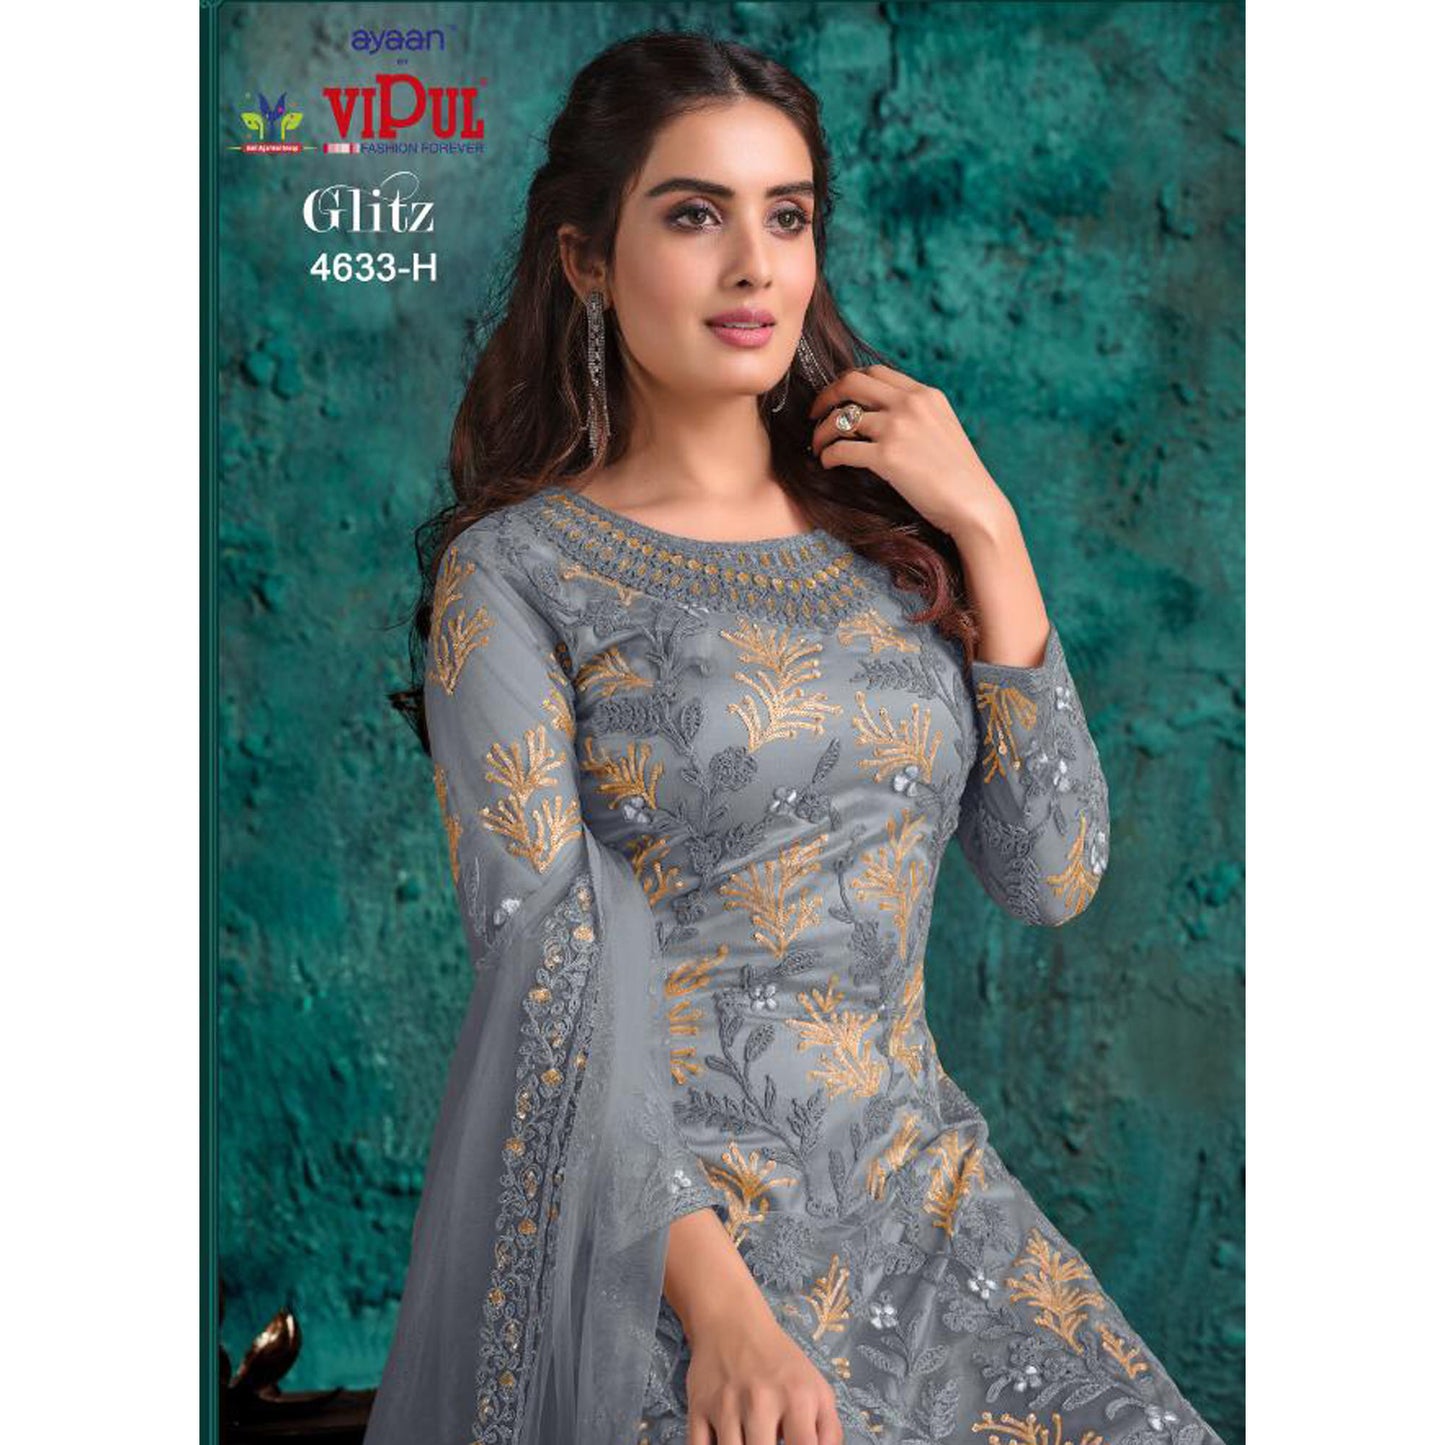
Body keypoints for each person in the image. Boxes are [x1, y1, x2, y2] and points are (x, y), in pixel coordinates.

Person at [371, 29, 1225, 1445]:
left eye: (787, 217)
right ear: (587, 262)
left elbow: (1051, 873)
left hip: (933, 1213)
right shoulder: (518, 575)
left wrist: (989, 526)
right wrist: (723, 1319)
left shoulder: (897, 547)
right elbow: (545, 978)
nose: (752, 267)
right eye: (692, 215)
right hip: (669, 1245)